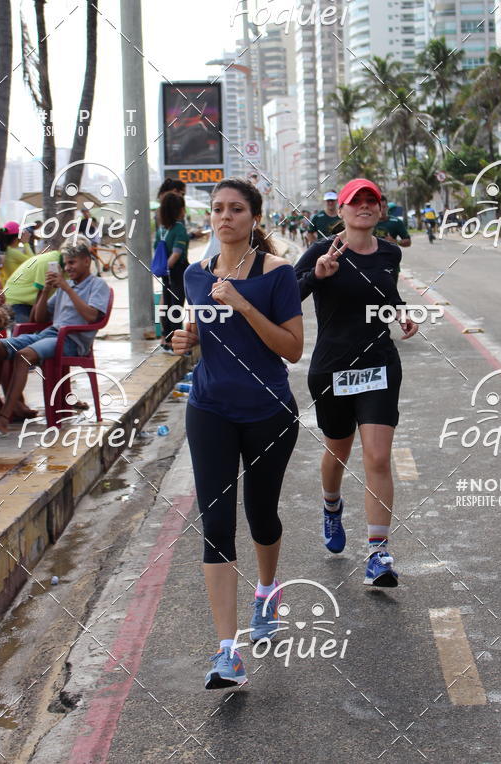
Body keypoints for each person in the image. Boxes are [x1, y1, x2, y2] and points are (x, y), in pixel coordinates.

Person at [172, 177, 303, 689]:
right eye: (217, 209)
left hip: (269, 412)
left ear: (253, 218)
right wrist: (187, 338)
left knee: (261, 515)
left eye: (235, 209)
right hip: (209, 409)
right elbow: (201, 335)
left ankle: (267, 591)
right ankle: (227, 651)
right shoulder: (194, 275)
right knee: (216, 523)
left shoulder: (278, 275)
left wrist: (244, 305)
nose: (224, 217)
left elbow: (291, 349)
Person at [294, 178, 418, 588]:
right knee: (338, 450)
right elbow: (288, 297)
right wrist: (316, 274)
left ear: (381, 210)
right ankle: (331, 507)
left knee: (378, 458)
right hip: (332, 368)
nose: (364, 207)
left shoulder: (389, 252)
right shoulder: (321, 251)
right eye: (355, 201)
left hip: (379, 366)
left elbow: (387, 294)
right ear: (341, 211)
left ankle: (378, 553)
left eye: (372, 201)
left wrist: (401, 313)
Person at [0, 244, 110, 436]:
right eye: (65, 264)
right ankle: (2, 408)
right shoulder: (64, 287)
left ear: (86, 261)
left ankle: (4, 417)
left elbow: (92, 316)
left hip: (71, 341)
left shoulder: (97, 285)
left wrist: (66, 288)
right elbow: (38, 319)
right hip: (49, 335)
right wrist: (45, 290)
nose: (68, 268)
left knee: (23, 357)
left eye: (72, 263)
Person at [155, 191, 189, 353]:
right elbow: (176, 253)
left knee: (166, 304)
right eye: (183, 207)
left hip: (164, 272)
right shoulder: (179, 229)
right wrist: (168, 268)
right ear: (178, 210)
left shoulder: (161, 230)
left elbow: (157, 250)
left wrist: (162, 270)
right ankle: (176, 343)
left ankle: (167, 340)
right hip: (177, 271)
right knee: (176, 306)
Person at [4, 248, 61, 323]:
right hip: (18, 301)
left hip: (31, 301)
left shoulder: (62, 262)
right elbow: (38, 299)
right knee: (24, 331)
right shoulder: (50, 262)